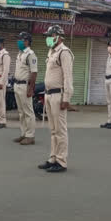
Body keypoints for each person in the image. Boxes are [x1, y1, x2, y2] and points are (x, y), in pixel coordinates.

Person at [38, 25, 73, 173]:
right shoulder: (52, 51)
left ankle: (61, 161)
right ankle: (53, 158)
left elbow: (68, 77)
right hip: (49, 94)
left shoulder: (64, 53)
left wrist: (66, 98)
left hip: (58, 95)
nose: (48, 38)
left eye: (50, 35)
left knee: (60, 130)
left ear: (58, 36)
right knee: (53, 130)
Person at [13, 32, 38, 145]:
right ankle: (23, 133)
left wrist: (31, 88)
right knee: (21, 112)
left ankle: (30, 136)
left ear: (27, 41)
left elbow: (34, 72)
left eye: (20, 39)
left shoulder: (30, 54)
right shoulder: (20, 53)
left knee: (28, 112)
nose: (18, 41)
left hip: (25, 86)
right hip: (17, 84)